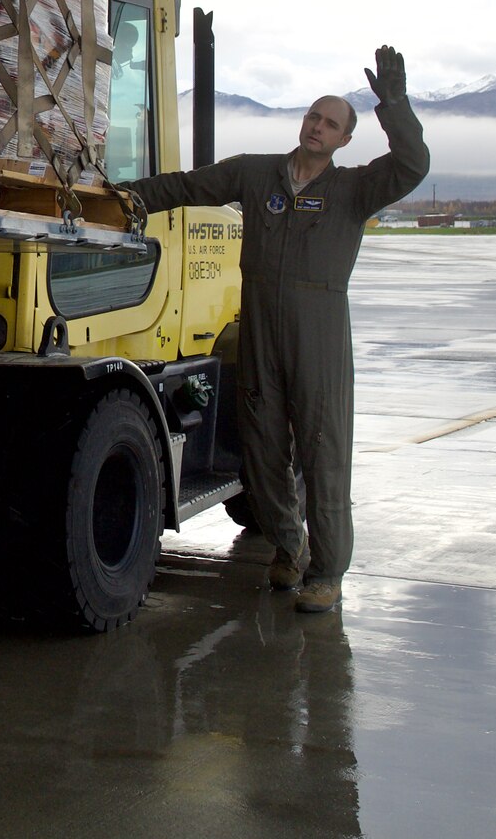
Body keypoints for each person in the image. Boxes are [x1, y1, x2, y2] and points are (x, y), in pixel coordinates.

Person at [123, 46, 427, 614]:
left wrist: (395, 105)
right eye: (314, 116)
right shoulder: (256, 172)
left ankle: (327, 574)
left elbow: (413, 166)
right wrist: (128, 196)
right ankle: (290, 547)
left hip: (319, 334)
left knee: (323, 453)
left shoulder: (354, 189)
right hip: (259, 328)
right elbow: (190, 186)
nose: (318, 127)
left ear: (344, 140)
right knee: (261, 452)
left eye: (331, 123)